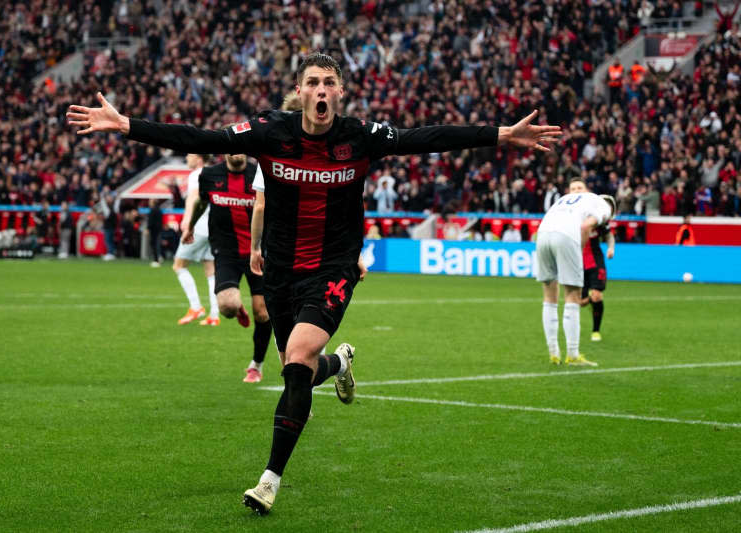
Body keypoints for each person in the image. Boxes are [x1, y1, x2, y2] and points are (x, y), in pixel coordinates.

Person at [67, 52, 562, 515]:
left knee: (298, 356)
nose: (320, 91)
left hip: (333, 267)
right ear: (299, 92)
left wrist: (502, 135)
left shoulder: (360, 136)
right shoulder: (269, 131)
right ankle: (340, 362)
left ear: (339, 93)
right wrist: (125, 125)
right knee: (296, 370)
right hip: (280, 271)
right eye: (312, 83)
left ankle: (269, 479)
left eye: (329, 83)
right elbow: (201, 138)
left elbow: (427, 137)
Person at [180, 148, 270, 383]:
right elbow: (201, 202)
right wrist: (190, 225)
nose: (238, 153)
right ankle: (237, 306)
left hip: (259, 251)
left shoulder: (260, 174)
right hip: (226, 251)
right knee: (227, 307)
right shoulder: (209, 175)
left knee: (262, 313)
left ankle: (256, 365)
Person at [536, 185, 616, 367]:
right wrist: (578, 251)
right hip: (566, 236)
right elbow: (586, 225)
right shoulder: (603, 207)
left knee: (549, 296)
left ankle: (553, 353)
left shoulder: (576, 198)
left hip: (542, 234)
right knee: (572, 295)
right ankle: (572, 354)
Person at [171, 153, 220, 326]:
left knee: (179, 265)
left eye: (190, 155)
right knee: (210, 269)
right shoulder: (214, 172)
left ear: (199, 158)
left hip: (198, 226)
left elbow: (193, 197)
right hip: (213, 227)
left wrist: (187, 221)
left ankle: (196, 307)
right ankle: (214, 315)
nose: (187, 158)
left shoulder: (196, 175)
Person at [569, 180, 615, 342]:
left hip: (595, 260)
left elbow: (608, 234)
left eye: (579, 188)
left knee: (597, 295)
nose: (576, 191)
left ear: (586, 190)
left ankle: (596, 331)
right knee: (580, 302)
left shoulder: (595, 213)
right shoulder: (565, 215)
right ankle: (589, 297)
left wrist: (611, 248)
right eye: (573, 188)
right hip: (576, 262)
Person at [147, 198, 163, 267]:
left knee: (154, 245)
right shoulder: (159, 210)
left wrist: (148, 228)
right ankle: (158, 258)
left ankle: (156, 260)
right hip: (158, 229)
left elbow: (151, 221)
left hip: (154, 230)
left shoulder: (153, 210)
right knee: (156, 244)